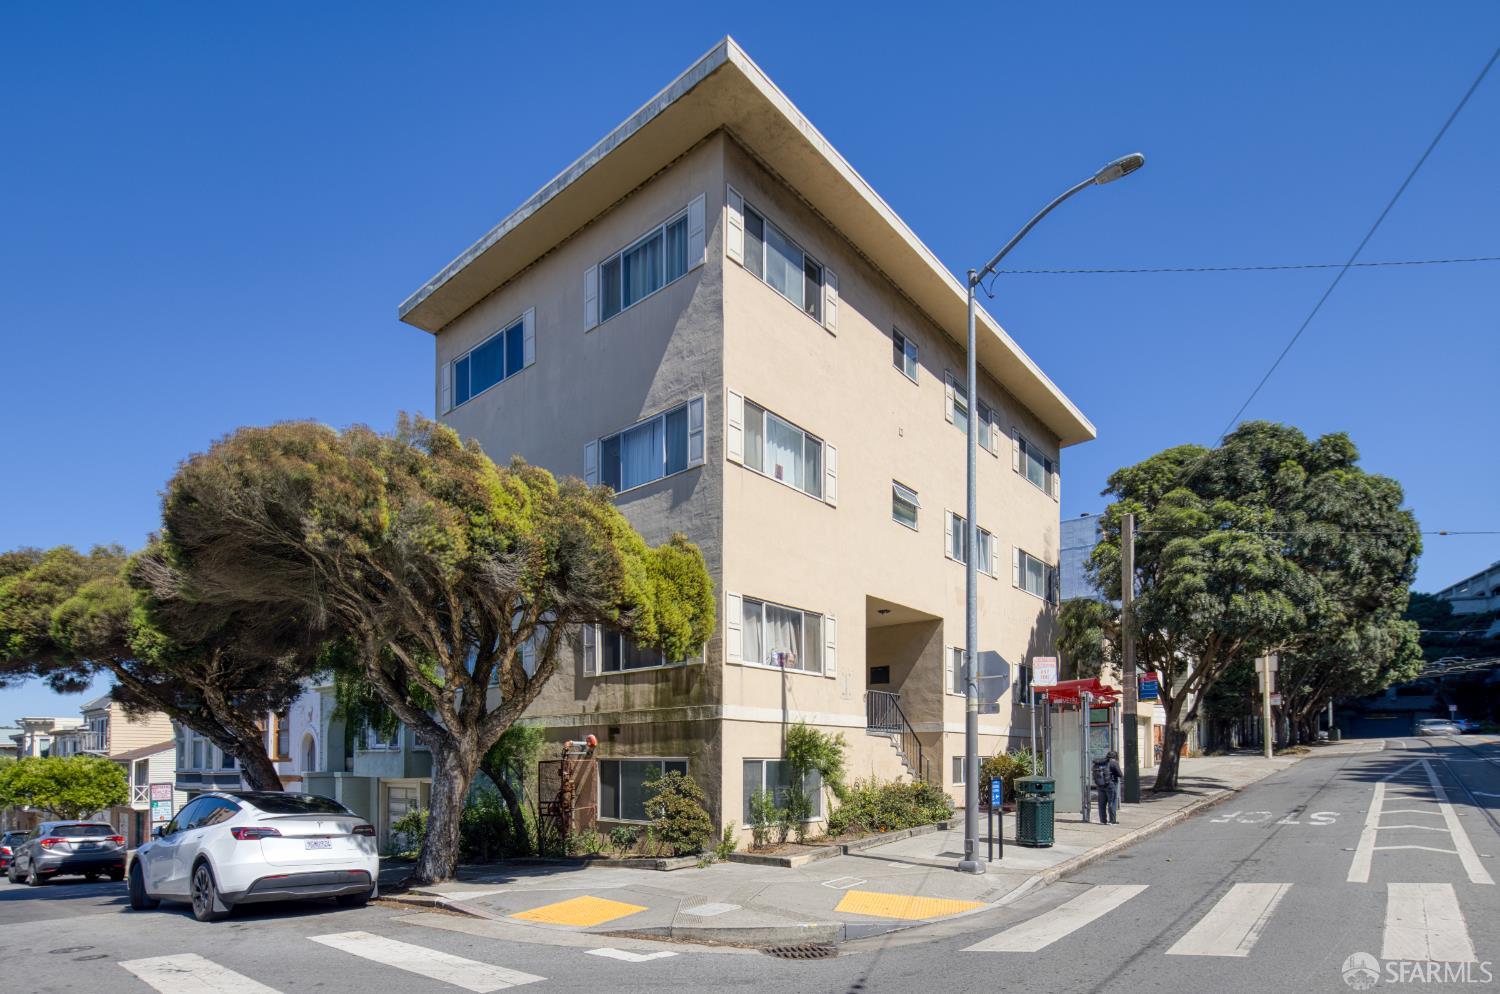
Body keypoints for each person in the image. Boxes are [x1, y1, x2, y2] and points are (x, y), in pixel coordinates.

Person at [1092, 750, 1124, 824]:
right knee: (1112, 802)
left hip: (1100, 785)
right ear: (1115, 756)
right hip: (1110, 785)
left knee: (1101, 804)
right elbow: (1120, 774)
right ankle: (1112, 821)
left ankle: (1103, 820)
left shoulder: (1100, 762)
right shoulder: (1113, 762)